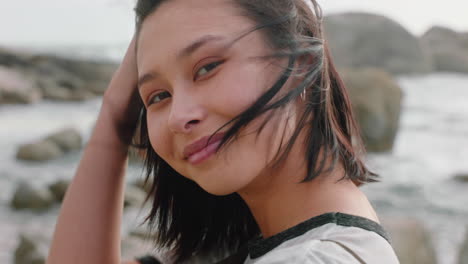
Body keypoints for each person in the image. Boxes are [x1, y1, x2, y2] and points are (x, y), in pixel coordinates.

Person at [47, 0, 400, 263]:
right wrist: (114, 114)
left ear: (300, 63)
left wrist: (113, 122)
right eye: (158, 96)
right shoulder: (261, 242)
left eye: (208, 68)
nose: (177, 117)